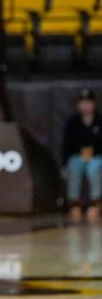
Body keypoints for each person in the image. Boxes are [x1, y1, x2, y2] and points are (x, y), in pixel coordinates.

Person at [62, 89, 102, 223]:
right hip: (78, 156)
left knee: (93, 168)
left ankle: (95, 201)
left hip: (97, 157)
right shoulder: (73, 122)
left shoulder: (99, 120)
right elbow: (66, 145)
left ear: (94, 104)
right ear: (78, 105)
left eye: (88, 102)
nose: (85, 105)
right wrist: (63, 165)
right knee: (73, 164)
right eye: (82, 102)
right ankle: (74, 202)